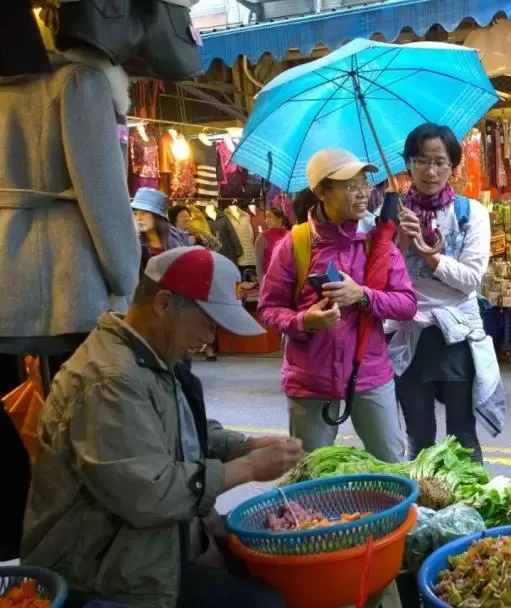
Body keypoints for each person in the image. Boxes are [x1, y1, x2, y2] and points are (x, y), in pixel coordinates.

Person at [21, 247, 304, 608]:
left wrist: (246, 445)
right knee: (264, 602)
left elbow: (180, 428)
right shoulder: (109, 379)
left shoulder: (150, 356)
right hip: (99, 572)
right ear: (163, 304)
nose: (210, 338)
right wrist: (247, 468)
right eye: (207, 322)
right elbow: (149, 495)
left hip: (141, 548)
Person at [259, 149, 415, 461]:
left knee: (392, 465)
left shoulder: (378, 240)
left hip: (370, 373)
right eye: (349, 186)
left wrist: (363, 296)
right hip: (310, 379)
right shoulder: (295, 245)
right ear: (321, 191)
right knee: (312, 475)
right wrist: (305, 321)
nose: (362, 194)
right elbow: (268, 309)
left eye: (365, 184)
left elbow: (407, 304)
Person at [391, 123, 505, 463]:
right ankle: (424, 510)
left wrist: (427, 253)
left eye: (440, 161)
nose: (431, 170)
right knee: (419, 437)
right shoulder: (390, 215)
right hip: (407, 334)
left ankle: (473, 507)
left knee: (462, 435)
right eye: (421, 160)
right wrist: (397, 241)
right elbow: (380, 280)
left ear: (453, 167)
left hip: (456, 336)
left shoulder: (471, 214)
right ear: (408, 164)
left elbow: (470, 278)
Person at [132, 187, 190, 270]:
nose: (139, 218)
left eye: (144, 212)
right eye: (136, 213)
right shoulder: (135, 245)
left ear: (157, 216)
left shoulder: (175, 239)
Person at [254, 206, 291, 281]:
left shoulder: (290, 235)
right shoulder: (262, 238)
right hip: (271, 281)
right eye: (266, 217)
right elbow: (259, 265)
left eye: (270, 217)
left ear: (280, 219)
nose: (267, 220)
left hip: (289, 279)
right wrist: (262, 285)